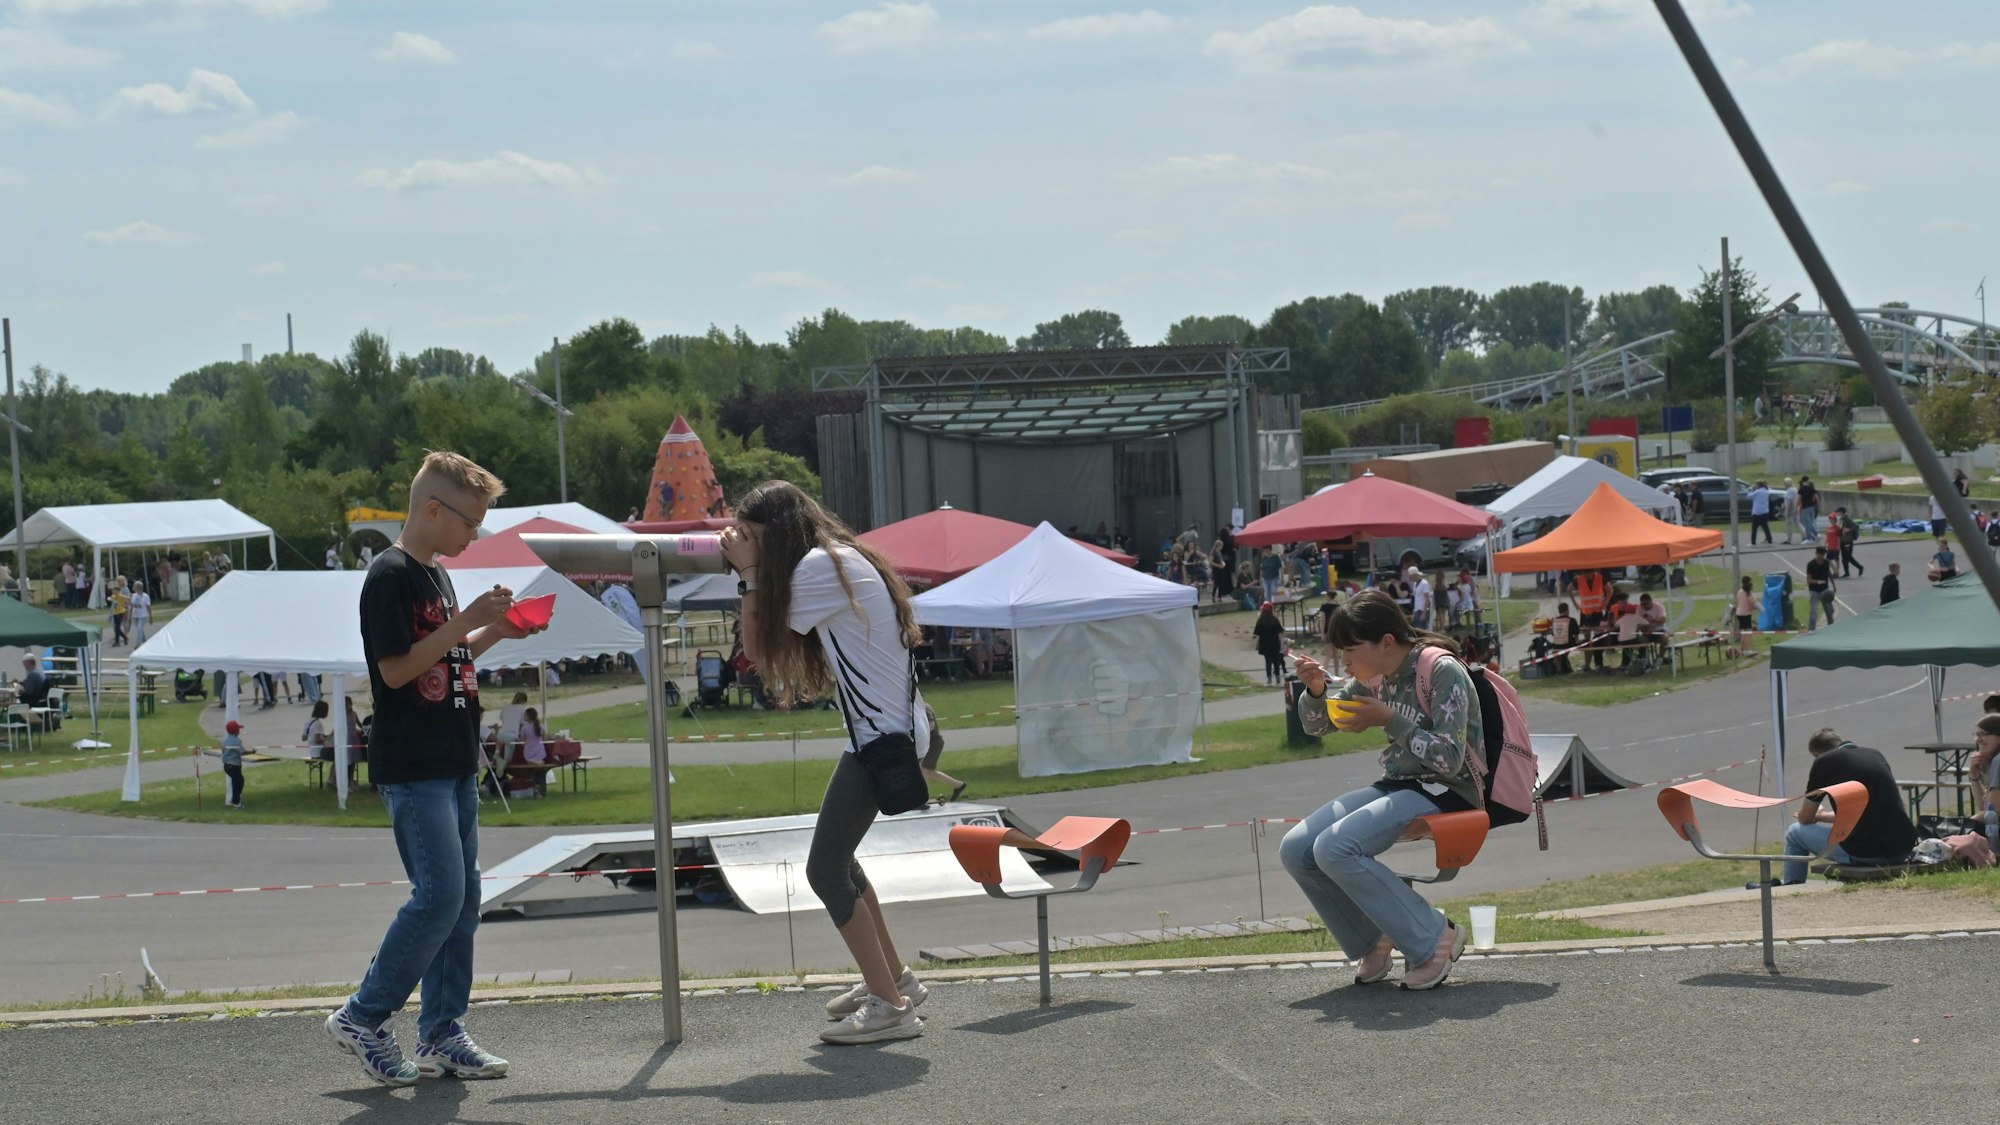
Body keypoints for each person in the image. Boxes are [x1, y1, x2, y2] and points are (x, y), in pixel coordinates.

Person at [326, 450, 539, 1087]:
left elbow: (443, 656)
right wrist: (467, 622)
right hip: (413, 764)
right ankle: (363, 1016)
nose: (474, 535)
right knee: (440, 895)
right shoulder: (389, 575)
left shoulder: (437, 576)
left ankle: (442, 1030)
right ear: (432, 510)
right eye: (470, 522)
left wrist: (493, 631)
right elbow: (394, 670)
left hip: (452, 760)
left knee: (464, 900)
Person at [721, 479, 932, 1044]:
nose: (750, 545)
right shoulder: (840, 558)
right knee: (843, 860)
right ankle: (895, 981)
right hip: (888, 731)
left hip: (881, 737)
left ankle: (890, 1009)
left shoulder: (818, 567)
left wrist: (747, 575)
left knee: (824, 870)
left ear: (779, 533)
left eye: (755, 536)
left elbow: (758, 654)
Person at [1282, 589, 1481, 991]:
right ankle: (1373, 939)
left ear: (1386, 642)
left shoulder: (1442, 670)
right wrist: (1317, 691)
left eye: (1350, 650)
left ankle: (1433, 938)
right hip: (1401, 783)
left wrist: (1390, 719)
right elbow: (1319, 727)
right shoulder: (1373, 677)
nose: (1345, 662)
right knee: (1297, 848)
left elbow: (1449, 760)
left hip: (1446, 788)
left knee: (1334, 848)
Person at [1780, 728, 1917, 884]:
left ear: (1817, 754)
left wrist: (1815, 815)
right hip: (1903, 848)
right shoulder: (1875, 754)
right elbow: (1868, 813)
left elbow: (1805, 819)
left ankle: (1791, 886)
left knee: (1794, 833)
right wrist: (1821, 816)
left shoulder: (1824, 762)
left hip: (1866, 853)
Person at [919, 702, 966, 804]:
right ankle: (958, 785)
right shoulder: (920, 708)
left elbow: (931, 725)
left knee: (924, 770)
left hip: (934, 742)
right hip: (930, 743)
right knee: (930, 771)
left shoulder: (924, 708)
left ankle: (924, 799)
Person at [1252, 601, 1286, 685]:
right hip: (1275, 643)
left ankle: (1269, 678)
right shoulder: (1275, 619)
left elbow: (1257, 634)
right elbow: (1280, 632)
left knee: (1268, 661)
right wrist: (1282, 644)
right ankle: (1278, 677)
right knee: (1276, 661)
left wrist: (1257, 645)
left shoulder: (1260, 620)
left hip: (1264, 644)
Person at [1805, 545, 1836, 631]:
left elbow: (1829, 574)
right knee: (1814, 611)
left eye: (1823, 555)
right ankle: (1811, 630)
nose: (1821, 557)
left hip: (1824, 591)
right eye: (1819, 555)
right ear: (1816, 554)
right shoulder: (1811, 564)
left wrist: (1834, 585)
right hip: (1814, 591)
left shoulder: (1826, 563)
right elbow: (1808, 579)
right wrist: (1818, 582)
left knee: (1830, 611)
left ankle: (1831, 628)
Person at [219, 719, 247, 809]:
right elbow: (242, 752)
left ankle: (234, 799)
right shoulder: (237, 741)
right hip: (235, 766)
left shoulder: (225, 740)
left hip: (226, 766)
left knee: (236, 781)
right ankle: (236, 802)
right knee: (239, 782)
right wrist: (252, 752)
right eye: (238, 729)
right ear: (236, 731)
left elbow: (223, 750)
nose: (239, 731)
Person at [1546, 602, 1577, 674]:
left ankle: (1559, 670)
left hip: (1557, 644)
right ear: (1567, 610)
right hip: (1569, 644)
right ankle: (1565, 665)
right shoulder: (1572, 620)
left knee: (1555, 652)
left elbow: (1554, 634)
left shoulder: (1554, 621)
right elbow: (1576, 633)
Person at [1836, 508, 1863, 578]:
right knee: (1844, 558)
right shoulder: (1840, 520)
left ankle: (1860, 567)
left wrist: (1848, 530)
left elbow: (1856, 526)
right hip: (1842, 541)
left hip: (1848, 541)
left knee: (1848, 557)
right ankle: (1847, 572)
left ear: (1842, 513)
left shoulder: (1847, 520)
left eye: (1839, 513)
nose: (1838, 514)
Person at [1748, 480, 1773, 545]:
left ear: (1758, 485)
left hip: (1756, 512)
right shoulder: (1766, 492)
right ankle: (1769, 540)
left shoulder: (1757, 492)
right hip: (1764, 512)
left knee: (1754, 529)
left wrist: (1751, 490)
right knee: (1766, 528)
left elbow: (1749, 496)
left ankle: (1753, 542)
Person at [107, 579, 130, 648]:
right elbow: (110, 598)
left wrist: (126, 606)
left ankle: (117, 642)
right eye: (113, 590)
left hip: (120, 612)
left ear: (118, 591)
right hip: (115, 613)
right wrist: (110, 599)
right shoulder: (113, 596)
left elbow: (129, 599)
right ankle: (125, 637)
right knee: (117, 628)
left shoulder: (121, 596)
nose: (114, 591)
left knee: (117, 627)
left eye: (115, 590)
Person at [129, 581, 152, 647]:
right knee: (140, 629)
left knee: (139, 629)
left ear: (138, 587)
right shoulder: (134, 596)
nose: (133, 588)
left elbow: (148, 607)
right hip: (136, 615)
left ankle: (138, 644)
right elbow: (132, 606)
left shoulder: (145, 596)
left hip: (143, 615)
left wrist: (150, 617)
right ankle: (145, 641)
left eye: (134, 586)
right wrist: (130, 616)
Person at [1796, 475, 1819, 540]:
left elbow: (1799, 498)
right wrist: (1817, 505)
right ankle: (1815, 535)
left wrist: (1796, 505)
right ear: (1807, 480)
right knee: (1811, 521)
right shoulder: (1811, 488)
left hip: (1805, 507)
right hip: (1812, 506)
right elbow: (1816, 497)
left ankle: (1810, 537)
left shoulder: (1801, 489)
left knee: (1806, 523)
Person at [1782, 478, 1799, 544]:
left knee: (1789, 525)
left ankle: (1789, 539)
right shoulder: (1794, 489)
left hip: (1790, 509)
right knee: (1797, 523)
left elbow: (1791, 502)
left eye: (1784, 483)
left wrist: (1789, 511)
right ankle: (1805, 536)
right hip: (1795, 508)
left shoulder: (1790, 491)